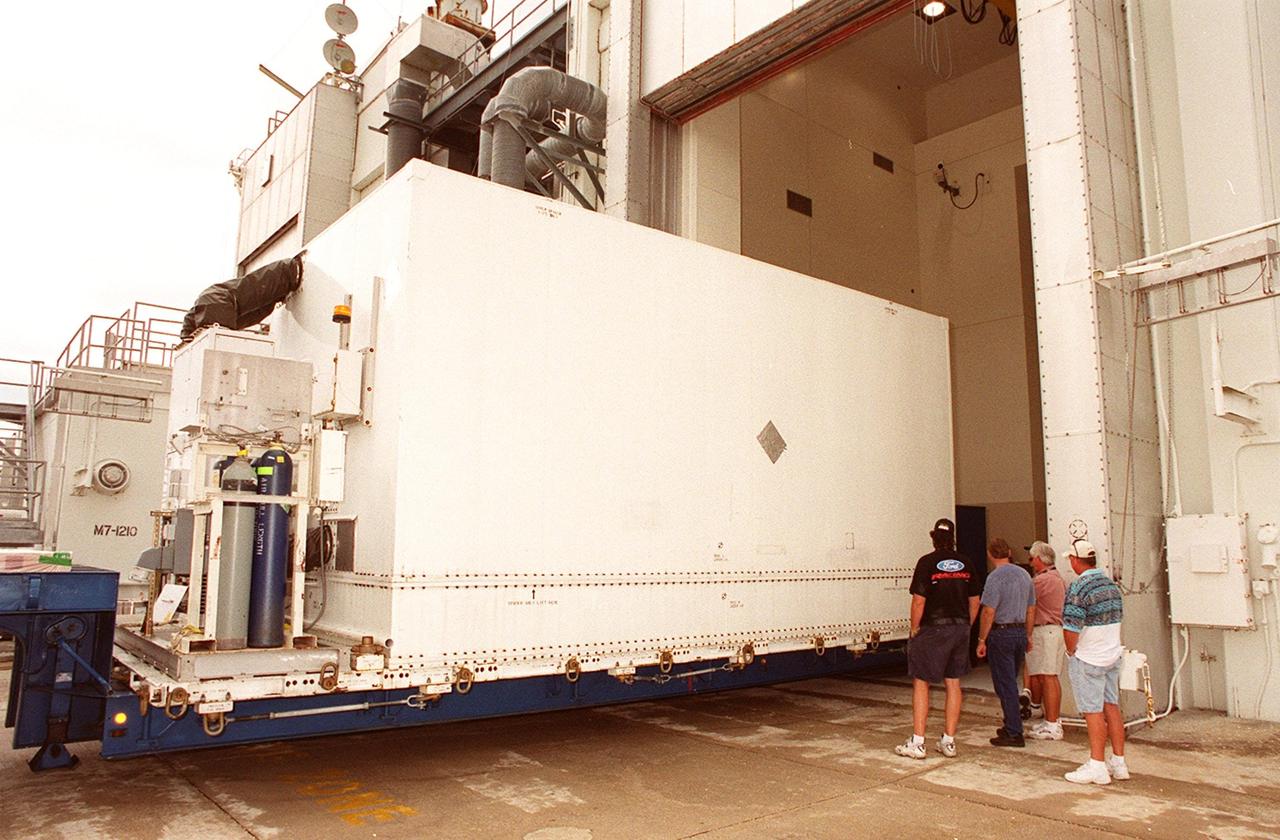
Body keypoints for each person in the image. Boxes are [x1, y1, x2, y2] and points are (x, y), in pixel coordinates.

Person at [894, 518, 981, 760]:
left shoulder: (926, 562)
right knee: (953, 683)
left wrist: (914, 628)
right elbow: (975, 601)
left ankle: (918, 743)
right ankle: (948, 741)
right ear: (952, 538)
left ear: (934, 538)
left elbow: (918, 601)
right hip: (960, 627)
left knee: (921, 682)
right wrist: (966, 624)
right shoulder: (966, 562)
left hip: (933, 629)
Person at [1062, 539, 1129, 785]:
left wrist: (1071, 651)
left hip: (1089, 657)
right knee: (1111, 706)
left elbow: (1071, 627)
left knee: (1093, 712)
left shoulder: (1078, 587)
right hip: (1111, 654)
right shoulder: (1110, 584)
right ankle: (1119, 763)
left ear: (1075, 560)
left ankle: (1097, 765)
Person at [976, 537, 1035, 747]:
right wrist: (1028, 635)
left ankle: (1014, 731)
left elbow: (989, 611)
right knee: (1012, 680)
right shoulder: (1025, 575)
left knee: (1005, 684)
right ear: (1009, 552)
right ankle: (1011, 722)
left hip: (1001, 633)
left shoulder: (994, 578)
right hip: (1019, 631)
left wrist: (981, 639)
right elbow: (1031, 609)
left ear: (990, 554)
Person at [1025, 540, 1067, 740]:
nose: (1030, 562)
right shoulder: (1057, 578)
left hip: (1045, 630)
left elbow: (1028, 605)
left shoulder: (1041, 581)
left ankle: (1052, 724)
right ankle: (1051, 720)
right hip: (1055, 630)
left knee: (1048, 677)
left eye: (1031, 558)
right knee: (1048, 676)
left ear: (1039, 559)